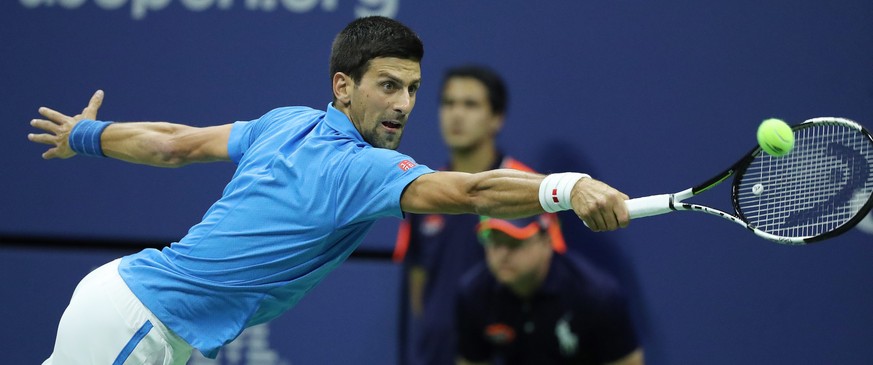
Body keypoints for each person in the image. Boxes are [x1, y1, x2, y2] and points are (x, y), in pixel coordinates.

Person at [27, 16, 631, 365]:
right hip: (142, 319)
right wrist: (566, 187)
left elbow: (174, 144)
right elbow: (471, 192)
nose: (404, 106)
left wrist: (89, 136)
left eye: (412, 89)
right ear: (344, 86)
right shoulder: (359, 170)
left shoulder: (286, 121)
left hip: (144, 315)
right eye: (388, 86)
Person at [393, 65, 565, 365]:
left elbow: (553, 278)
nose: (456, 114)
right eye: (448, 103)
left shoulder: (528, 187)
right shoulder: (423, 189)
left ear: (496, 119)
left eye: (470, 104)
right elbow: (418, 277)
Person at [456, 215, 644, 365]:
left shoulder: (597, 295)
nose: (502, 254)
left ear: (546, 241)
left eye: (514, 243)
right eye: (494, 242)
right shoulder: (473, 294)